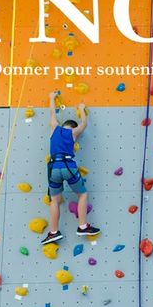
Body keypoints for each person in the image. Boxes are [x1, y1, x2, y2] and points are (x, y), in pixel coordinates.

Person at [42, 91, 100, 244]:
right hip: (68, 166)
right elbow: (84, 124)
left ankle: (53, 232)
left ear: (63, 125)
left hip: (53, 168)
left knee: (54, 201)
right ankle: (82, 226)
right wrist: (81, 108)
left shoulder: (54, 127)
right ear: (72, 128)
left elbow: (52, 112)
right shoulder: (73, 132)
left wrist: (51, 97)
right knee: (82, 195)